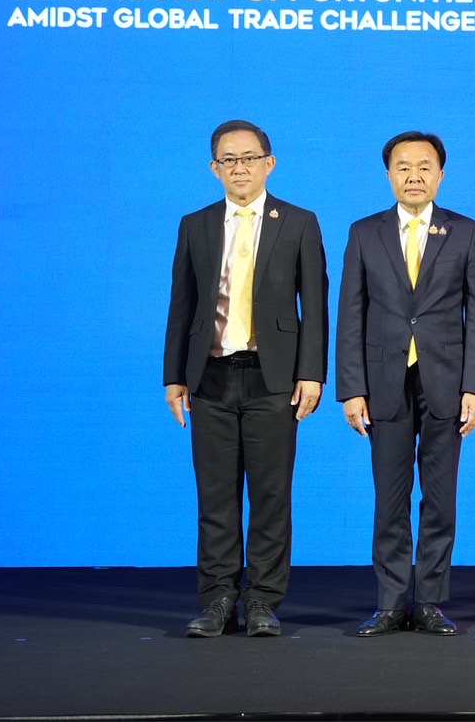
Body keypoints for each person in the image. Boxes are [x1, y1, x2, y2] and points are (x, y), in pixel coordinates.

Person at [163, 120, 328, 638]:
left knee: (271, 496)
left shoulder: (299, 222)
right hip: (209, 377)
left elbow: (316, 306)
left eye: (249, 158)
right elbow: (182, 304)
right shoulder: (196, 224)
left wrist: (312, 374)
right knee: (215, 497)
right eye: (229, 160)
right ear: (214, 168)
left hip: (272, 379)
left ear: (269, 164)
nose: (240, 168)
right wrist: (174, 376)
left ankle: (263, 601)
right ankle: (217, 599)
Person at [336, 132, 475, 637]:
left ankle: (428, 602)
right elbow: (351, 313)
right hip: (383, 382)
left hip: (447, 381)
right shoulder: (365, 232)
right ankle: (389, 603)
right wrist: (351, 388)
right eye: (403, 166)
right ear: (388, 175)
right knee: (390, 498)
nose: (414, 175)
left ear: (441, 175)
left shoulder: (466, 232)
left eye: (424, 166)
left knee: (440, 498)